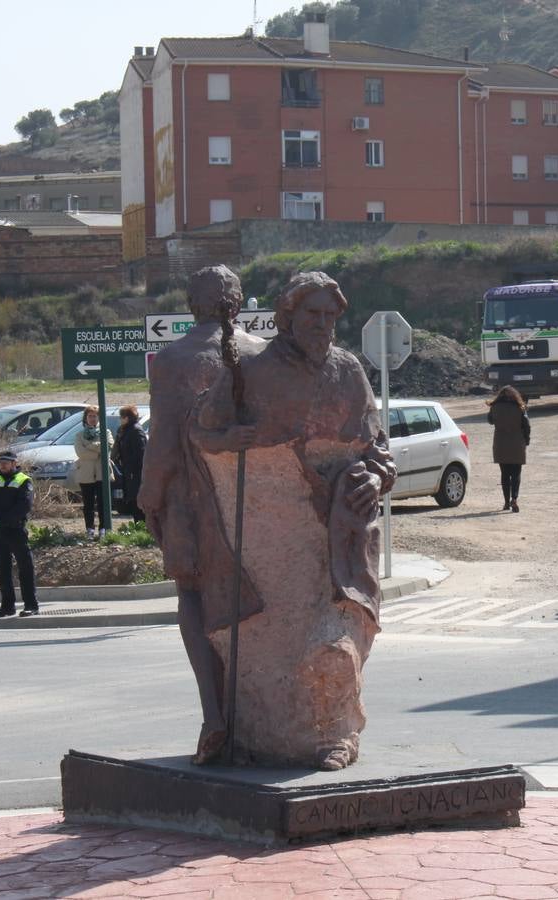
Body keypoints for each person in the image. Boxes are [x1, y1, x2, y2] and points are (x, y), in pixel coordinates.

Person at [192, 270, 396, 770]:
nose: (323, 324)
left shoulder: (348, 372)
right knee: (268, 648)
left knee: (335, 637)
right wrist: (229, 441)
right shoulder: (252, 370)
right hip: (269, 533)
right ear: (288, 317)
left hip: (340, 531)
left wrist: (374, 477)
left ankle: (337, 734)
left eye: (330, 315)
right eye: (312, 314)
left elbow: (380, 452)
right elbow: (204, 431)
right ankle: (259, 737)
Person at [140, 264, 265, 766]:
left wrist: (150, 497)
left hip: (190, 501)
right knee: (251, 599)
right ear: (237, 304)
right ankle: (256, 716)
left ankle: (215, 713)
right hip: (249, 498)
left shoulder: (172, 359)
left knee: (191, 596)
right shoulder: (262, 355)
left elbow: (164, 440)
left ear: (192, 305)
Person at [0, 450, 38, 618]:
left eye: (7, 462)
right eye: (1, 462)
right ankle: (7, 606)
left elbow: (24, 505)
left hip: (16, 530)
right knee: (3, 570)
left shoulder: (23, 480)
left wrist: (4, 521)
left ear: (15, 463)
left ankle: (31, 605)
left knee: (25, 568)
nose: (3, 465)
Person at [487, 386, 530, 513]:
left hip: (501, 444)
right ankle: (514, 499)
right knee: (516, 473)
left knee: (505, 474)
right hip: (517, 444)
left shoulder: (495, 407)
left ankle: (506, 502)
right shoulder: (520, 407)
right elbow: (526, 426)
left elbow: (490, 420)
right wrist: (526, 440)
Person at [73, 405, 114, 539]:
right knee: (88, 503)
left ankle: (103, 529)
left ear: (99, 418)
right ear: (85, 418)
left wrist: (90, 446)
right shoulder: (79, 435)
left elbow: (107, 447)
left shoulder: (106, 432)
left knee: (103, 502)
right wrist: (97, 451)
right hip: (86, 474)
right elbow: (81, 453)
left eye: (95, 416)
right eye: (90, 416)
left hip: (102, 472)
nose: (92, 418)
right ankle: (89, 529)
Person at [111, 405, 148, 523]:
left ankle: (141, 525)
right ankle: (138, 525)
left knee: (137, 499)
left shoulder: (136, 431)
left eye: (121, 417)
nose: (120, 420)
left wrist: (132, 469)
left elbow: (141, 453)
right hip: (128, 471)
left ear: (127, 418)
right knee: (132, 500)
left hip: (136, 473)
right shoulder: (125, 430)